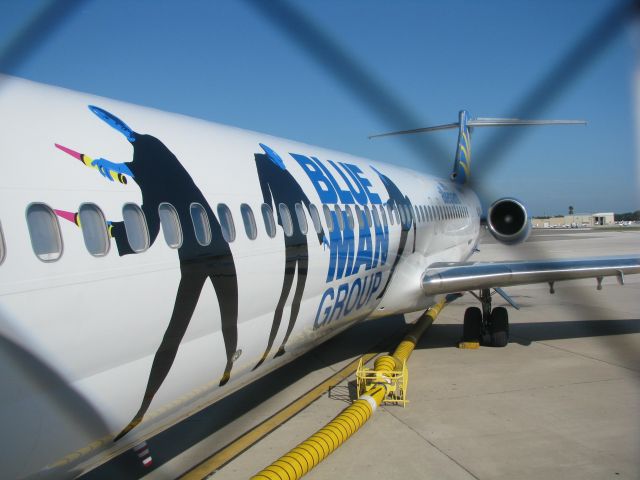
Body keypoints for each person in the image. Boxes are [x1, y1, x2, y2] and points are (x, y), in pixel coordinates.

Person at [82, 106, 239, 441]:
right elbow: (151, 227)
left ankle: (150, 403)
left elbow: (148, 230)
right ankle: (222, 367)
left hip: (207, 257)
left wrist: (113, 230)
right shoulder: (162, 168)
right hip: (209, 256)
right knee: (207, 323)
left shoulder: (152, 172)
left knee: (184, 331)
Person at [252, 144, 324, 369]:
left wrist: (319, 231)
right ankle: (277, 343)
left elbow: (304, 199)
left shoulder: (280, 172)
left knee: (292, 296)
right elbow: (271, 198)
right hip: (292, 239)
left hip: (299, 238)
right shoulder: (268, 169)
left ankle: (280, 342)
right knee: (288, 297)